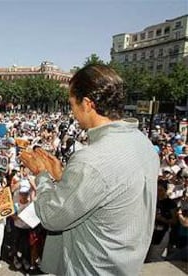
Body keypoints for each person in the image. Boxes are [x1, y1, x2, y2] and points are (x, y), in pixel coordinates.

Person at [20, 64, 160, 275]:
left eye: (72, 104)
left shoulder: (92, 159)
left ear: (87, 104)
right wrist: (62, 176)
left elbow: (51, 217)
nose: (72, 113)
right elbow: (104, 193)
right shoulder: (143, 143)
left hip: (91, 268)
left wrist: (41, 174)